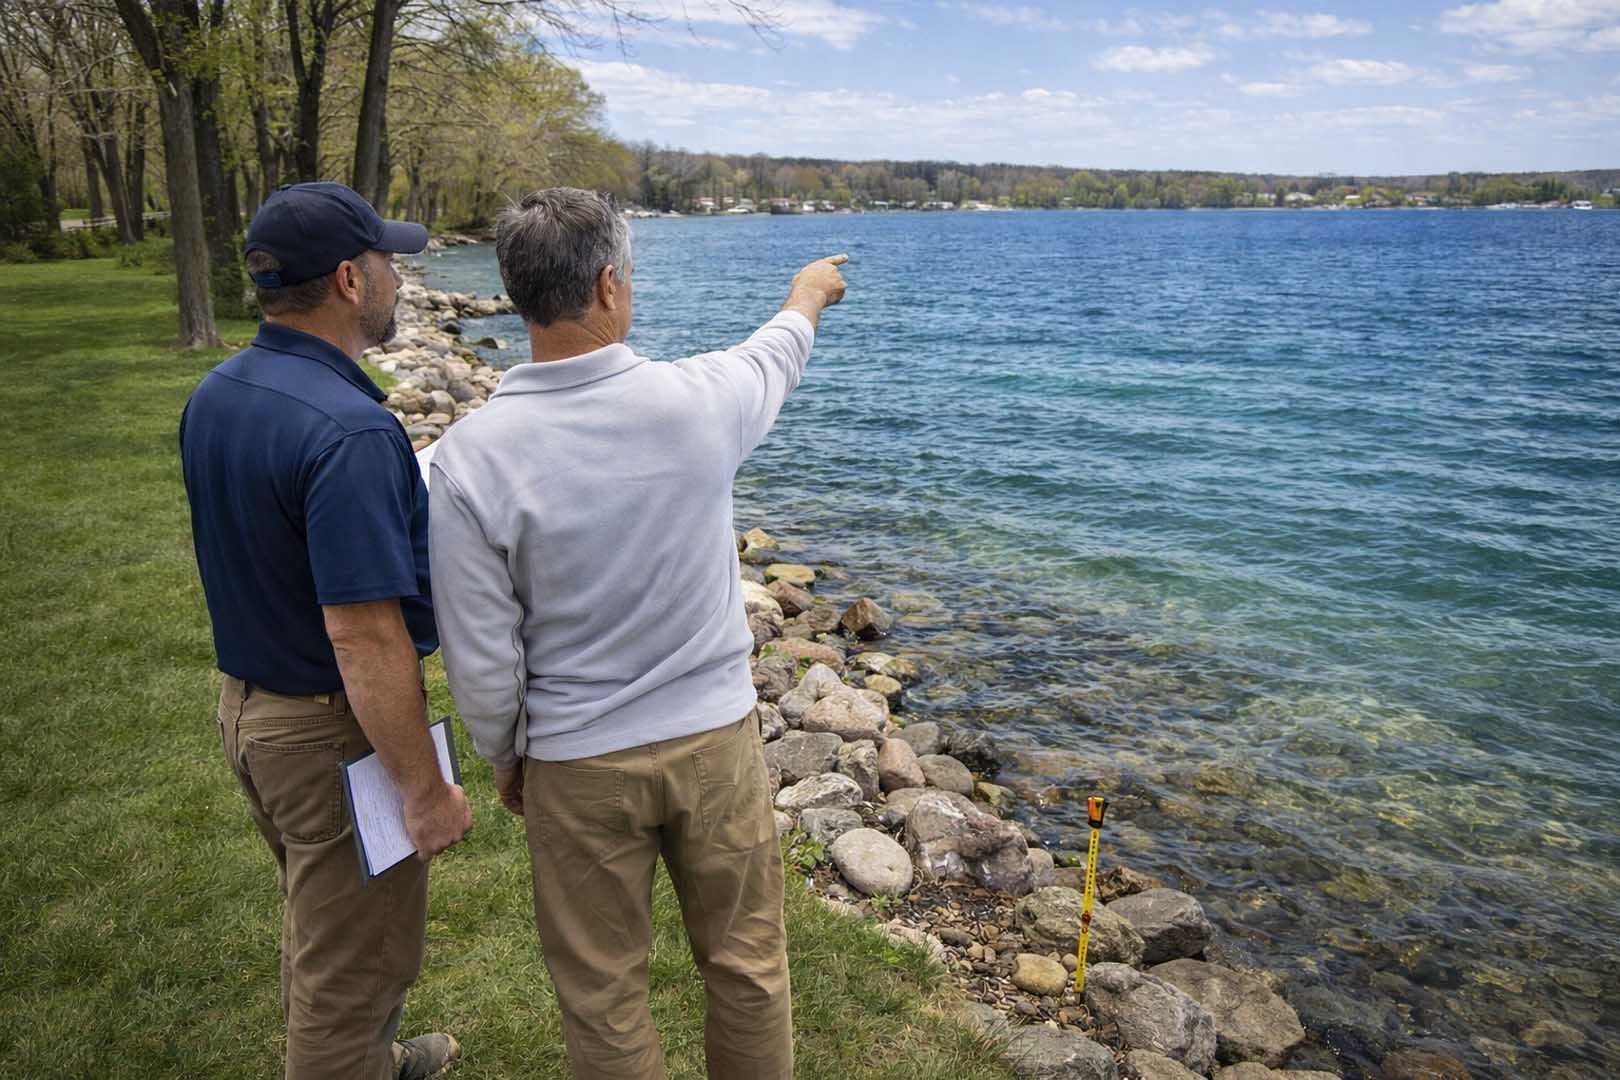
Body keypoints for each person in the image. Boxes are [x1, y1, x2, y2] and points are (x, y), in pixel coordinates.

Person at [428, 187, 847, 1079]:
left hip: (577, 765)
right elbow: (777, 353)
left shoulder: (470, 458)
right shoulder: (700, 401)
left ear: (515, 292)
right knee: (746, 967)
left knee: (604, 992)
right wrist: (807, 291)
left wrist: (508, 754)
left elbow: (480, 649)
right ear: (611, 284)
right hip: (715, 743)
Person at [179, 181, 472, 1080]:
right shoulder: (349, 431)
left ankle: (372, 1059)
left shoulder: (220, 390)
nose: (398, 276)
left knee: (324, 922)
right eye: (388, 260)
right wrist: (421, 790)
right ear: (350, 278)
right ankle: (352, 1060)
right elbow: (366, 637)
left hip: (250, 712)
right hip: (325, 731)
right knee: (354, 967)